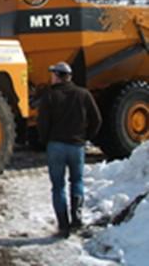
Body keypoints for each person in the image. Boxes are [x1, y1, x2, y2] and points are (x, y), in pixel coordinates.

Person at [37, 62, 102, 238]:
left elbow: (42, 123)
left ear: (58, 76)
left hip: (56, 146)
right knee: (77, 181)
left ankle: (63, 225)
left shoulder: (49, 96)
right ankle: (77, 218)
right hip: (76, 146)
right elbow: (97, 119)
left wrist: (45, 141)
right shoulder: (83, 94)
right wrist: (86, 137)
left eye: (52, 74)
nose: (51, 77)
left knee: (58, 186)